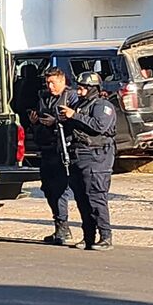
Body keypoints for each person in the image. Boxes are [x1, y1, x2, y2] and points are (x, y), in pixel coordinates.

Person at [58, 71, 116, 251]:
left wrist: (73, 115)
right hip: (78, 156)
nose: (80, 92)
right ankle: (88, 236)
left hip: (97, 157)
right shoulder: (81, 105)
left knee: (96, 198)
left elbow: (99, 126)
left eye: (83, 88)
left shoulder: (102, 106)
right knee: (82, 198)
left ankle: (105, 236)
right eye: (79, 88)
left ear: (93, 89)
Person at [28, 67, 78, 245]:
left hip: (62, 149)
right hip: (46, 149)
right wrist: (35, 122)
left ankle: (63, 228)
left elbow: (76, 121)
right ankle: (59, 226)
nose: (50, 86)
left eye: (53, 82)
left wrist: (56, 121)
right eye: (48, 82)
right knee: (48, 189)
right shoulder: (44, 98)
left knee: (59, 190)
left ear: (62, 81)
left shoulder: (71, 97)